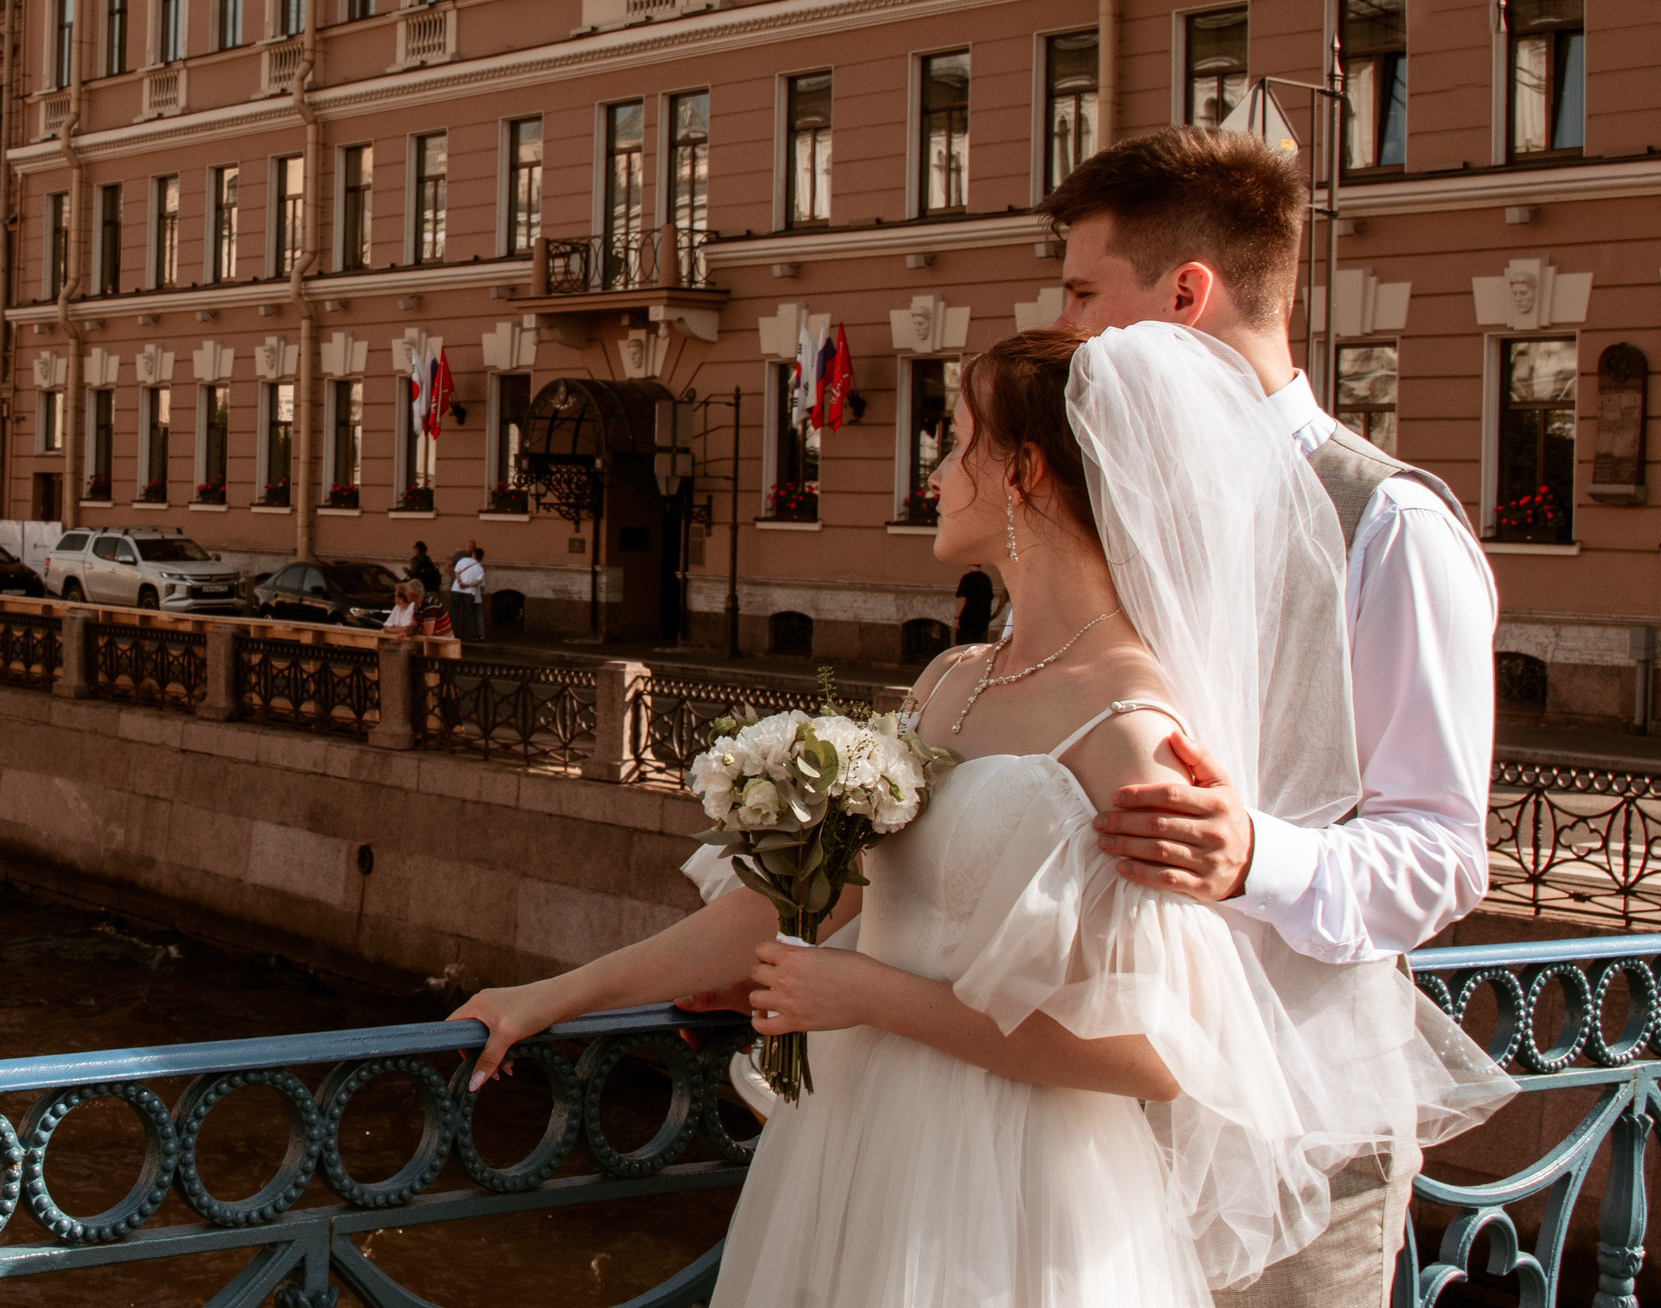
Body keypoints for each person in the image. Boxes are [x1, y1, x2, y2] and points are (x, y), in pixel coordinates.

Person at [453, 324, 1507, 1306]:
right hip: (855, 1146)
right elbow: (788, 907)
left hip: (1016, 1189)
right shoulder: (949, 682)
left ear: (1023, 473)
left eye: (956, 442)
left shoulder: (1132, 722)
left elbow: (1160, 1051)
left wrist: (867, 990)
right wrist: (548, 997)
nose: (937, 473)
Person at [1042, 127, 1499, 1303]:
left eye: (1086, 294)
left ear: (1184, 295)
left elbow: (1441, 853)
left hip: (1300, 1137)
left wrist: (1255, 855)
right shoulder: (1103, 514)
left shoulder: (1389, 523)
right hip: (1094, 1125)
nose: (1067, 333)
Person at [450, 541, 487, 642]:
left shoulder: (463, 560)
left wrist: (460, 581)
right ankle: (466, 636)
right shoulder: (480, 568)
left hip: (456, 589)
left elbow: (456, 572)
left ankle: (453, 634)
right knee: (467, 614)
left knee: (454, 612)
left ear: (473, 554)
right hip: (469, 592)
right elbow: (478, 581)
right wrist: (467, 585)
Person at [952, 564, 998, 644]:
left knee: (963, 647)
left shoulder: (967, 578)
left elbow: (962, 600)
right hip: (982, 620)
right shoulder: (986, 579)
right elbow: (989, 599)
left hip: (967, 620)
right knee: (979, 647)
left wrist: (957, 618)